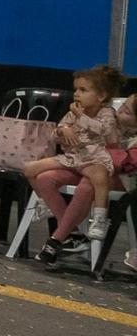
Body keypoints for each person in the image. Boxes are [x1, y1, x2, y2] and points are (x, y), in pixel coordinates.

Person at [25, 65, 132, 258]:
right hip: (73, 160)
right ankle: (70, 231)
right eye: (76, 89)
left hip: (95, 162)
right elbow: (56, 133)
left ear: (100, 96)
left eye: (83, 90)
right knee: (37, 173)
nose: (77, 94)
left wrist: (80, 117)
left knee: (92, 182)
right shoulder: (74, 112)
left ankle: (83, 226)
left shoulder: (106, 114)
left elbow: (105, 133)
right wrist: (62, 131)